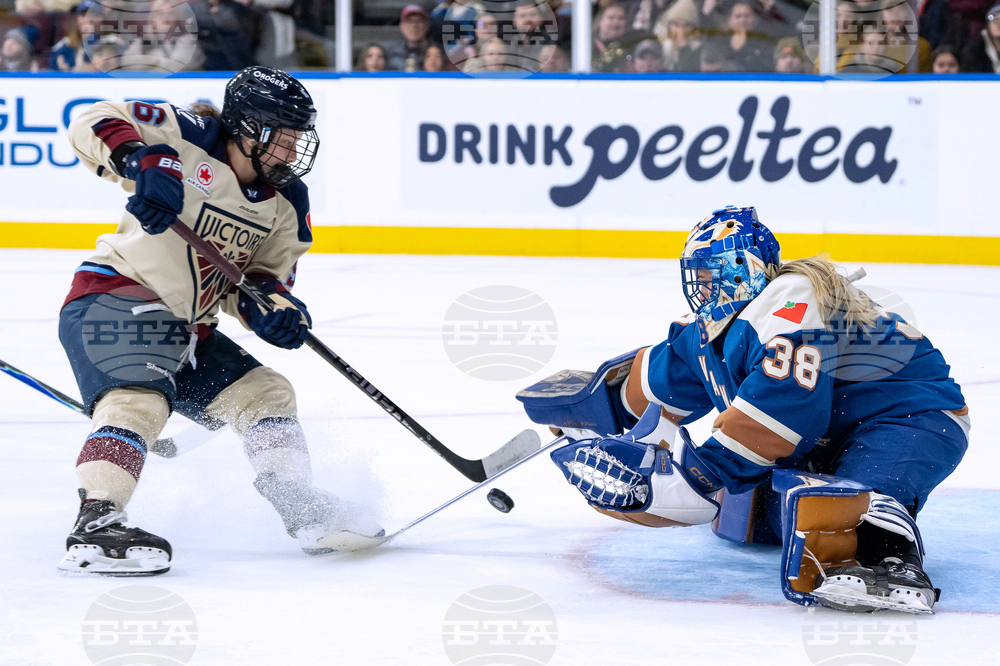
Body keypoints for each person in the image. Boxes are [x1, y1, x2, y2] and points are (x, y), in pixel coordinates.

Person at [520, 206, 968, 613]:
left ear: (746, 270)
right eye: (696, 275)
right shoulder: (704, 334)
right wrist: (582, 412)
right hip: (833, 431)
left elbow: (786, 412)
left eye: (713, 273)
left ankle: (891, 558)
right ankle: (845, 519)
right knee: (757, 518)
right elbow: (649, 387)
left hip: (912, 417)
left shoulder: (792, 299)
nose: (703, 286)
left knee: (860, 500)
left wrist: (701, 473)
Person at [57, 67, 380, 576]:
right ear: (248, 129)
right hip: (116, 298)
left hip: (187, 328)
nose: (294, 151)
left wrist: (273, 312)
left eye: (300, 138)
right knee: (138, 402)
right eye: (285, 137)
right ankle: (97, 523)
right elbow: (92, 119)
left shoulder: (287, 200)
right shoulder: (188, 136)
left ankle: (295, 501)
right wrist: (139, 158)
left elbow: (260, 280)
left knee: (267, 394)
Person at [389, 4, 434, 71]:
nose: (414, 25)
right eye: (409, 21)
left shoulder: (437, 54)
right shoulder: (392, 54)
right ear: (401, 27)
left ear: (426, 25)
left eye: (419, 21)